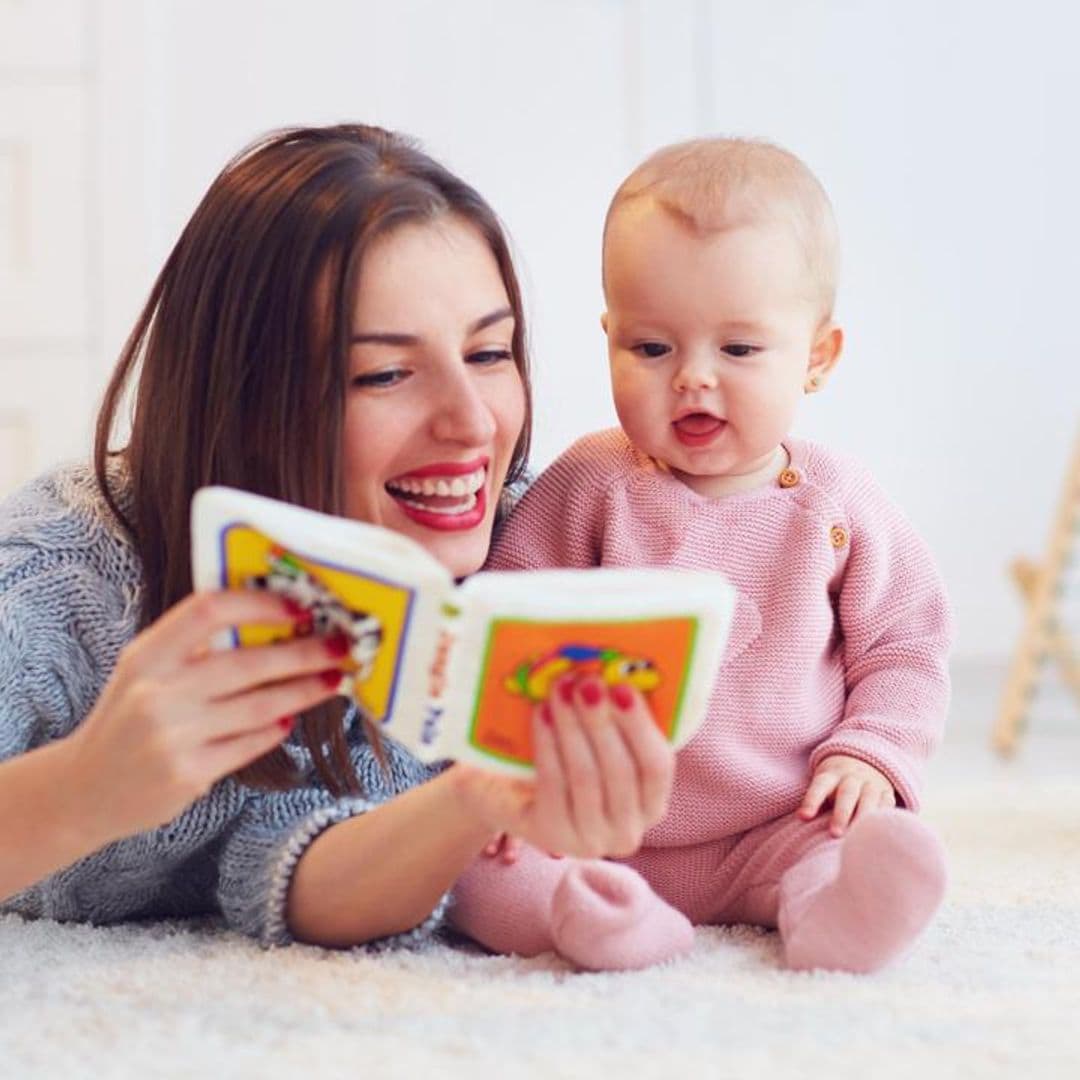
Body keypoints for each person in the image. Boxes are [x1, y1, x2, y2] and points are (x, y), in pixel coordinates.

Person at [0, 124, 675, 949]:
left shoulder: (535, 549)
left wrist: (478, 796)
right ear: (244, 400)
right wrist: (83, 787)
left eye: (490, 352)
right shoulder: (57, 580)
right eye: (384, 374)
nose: (471, 423)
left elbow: (299, 870)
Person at [449, 137, 952, 974]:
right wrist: (502, 774)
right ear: (611, 337)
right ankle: (598, 918)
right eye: (652, 348)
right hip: (592, 824)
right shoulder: (589, 484)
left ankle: (833, 912)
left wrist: (872, 753)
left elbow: (906, 643)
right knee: (477, 873)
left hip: (775, 819)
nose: (692, 379)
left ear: (817, 357)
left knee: (841, 838)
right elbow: (502, 633)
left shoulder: (837, 503)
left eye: (740, 350)